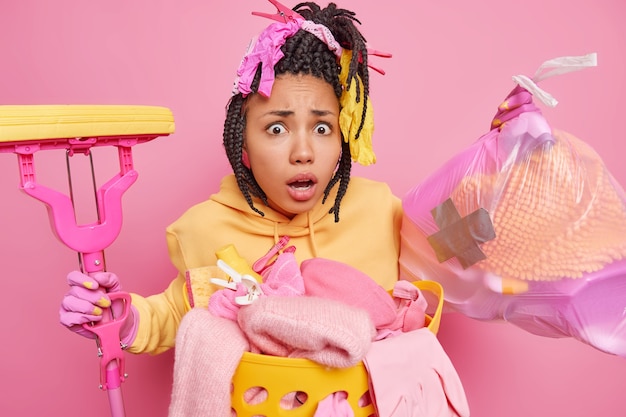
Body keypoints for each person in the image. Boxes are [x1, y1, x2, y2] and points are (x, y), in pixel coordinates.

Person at [59, 0, 401, 364]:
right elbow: (176, 315)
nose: (303, 152)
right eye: (276, 128)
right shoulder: (204, 228)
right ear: (243, 147)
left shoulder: (383, 212)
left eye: (321, 128)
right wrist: (119, 319)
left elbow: (446, 261)